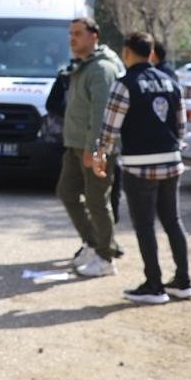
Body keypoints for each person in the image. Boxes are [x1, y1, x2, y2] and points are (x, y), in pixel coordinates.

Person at [89, 30, 191, 305]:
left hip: (139, 165)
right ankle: (183, 281)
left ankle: (154, 286)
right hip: (171, 162)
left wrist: (100, 154)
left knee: (145, 225)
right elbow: (181, 127)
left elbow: (110, 128)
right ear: (151, 53)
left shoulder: (125, 85)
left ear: (127, 53)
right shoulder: (171, 82)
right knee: (173, 221)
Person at [60, 17, 125, 278]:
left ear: (94, 36)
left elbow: (101, 115)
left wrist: (96, 149)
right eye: (70, 34)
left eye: (78, 33)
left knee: (97, 200)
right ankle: (93, 242)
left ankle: (106, 258)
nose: (72, 39)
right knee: (67, 192)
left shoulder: (102, 69)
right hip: (75, 145)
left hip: (95, 148)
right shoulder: (84, 66)